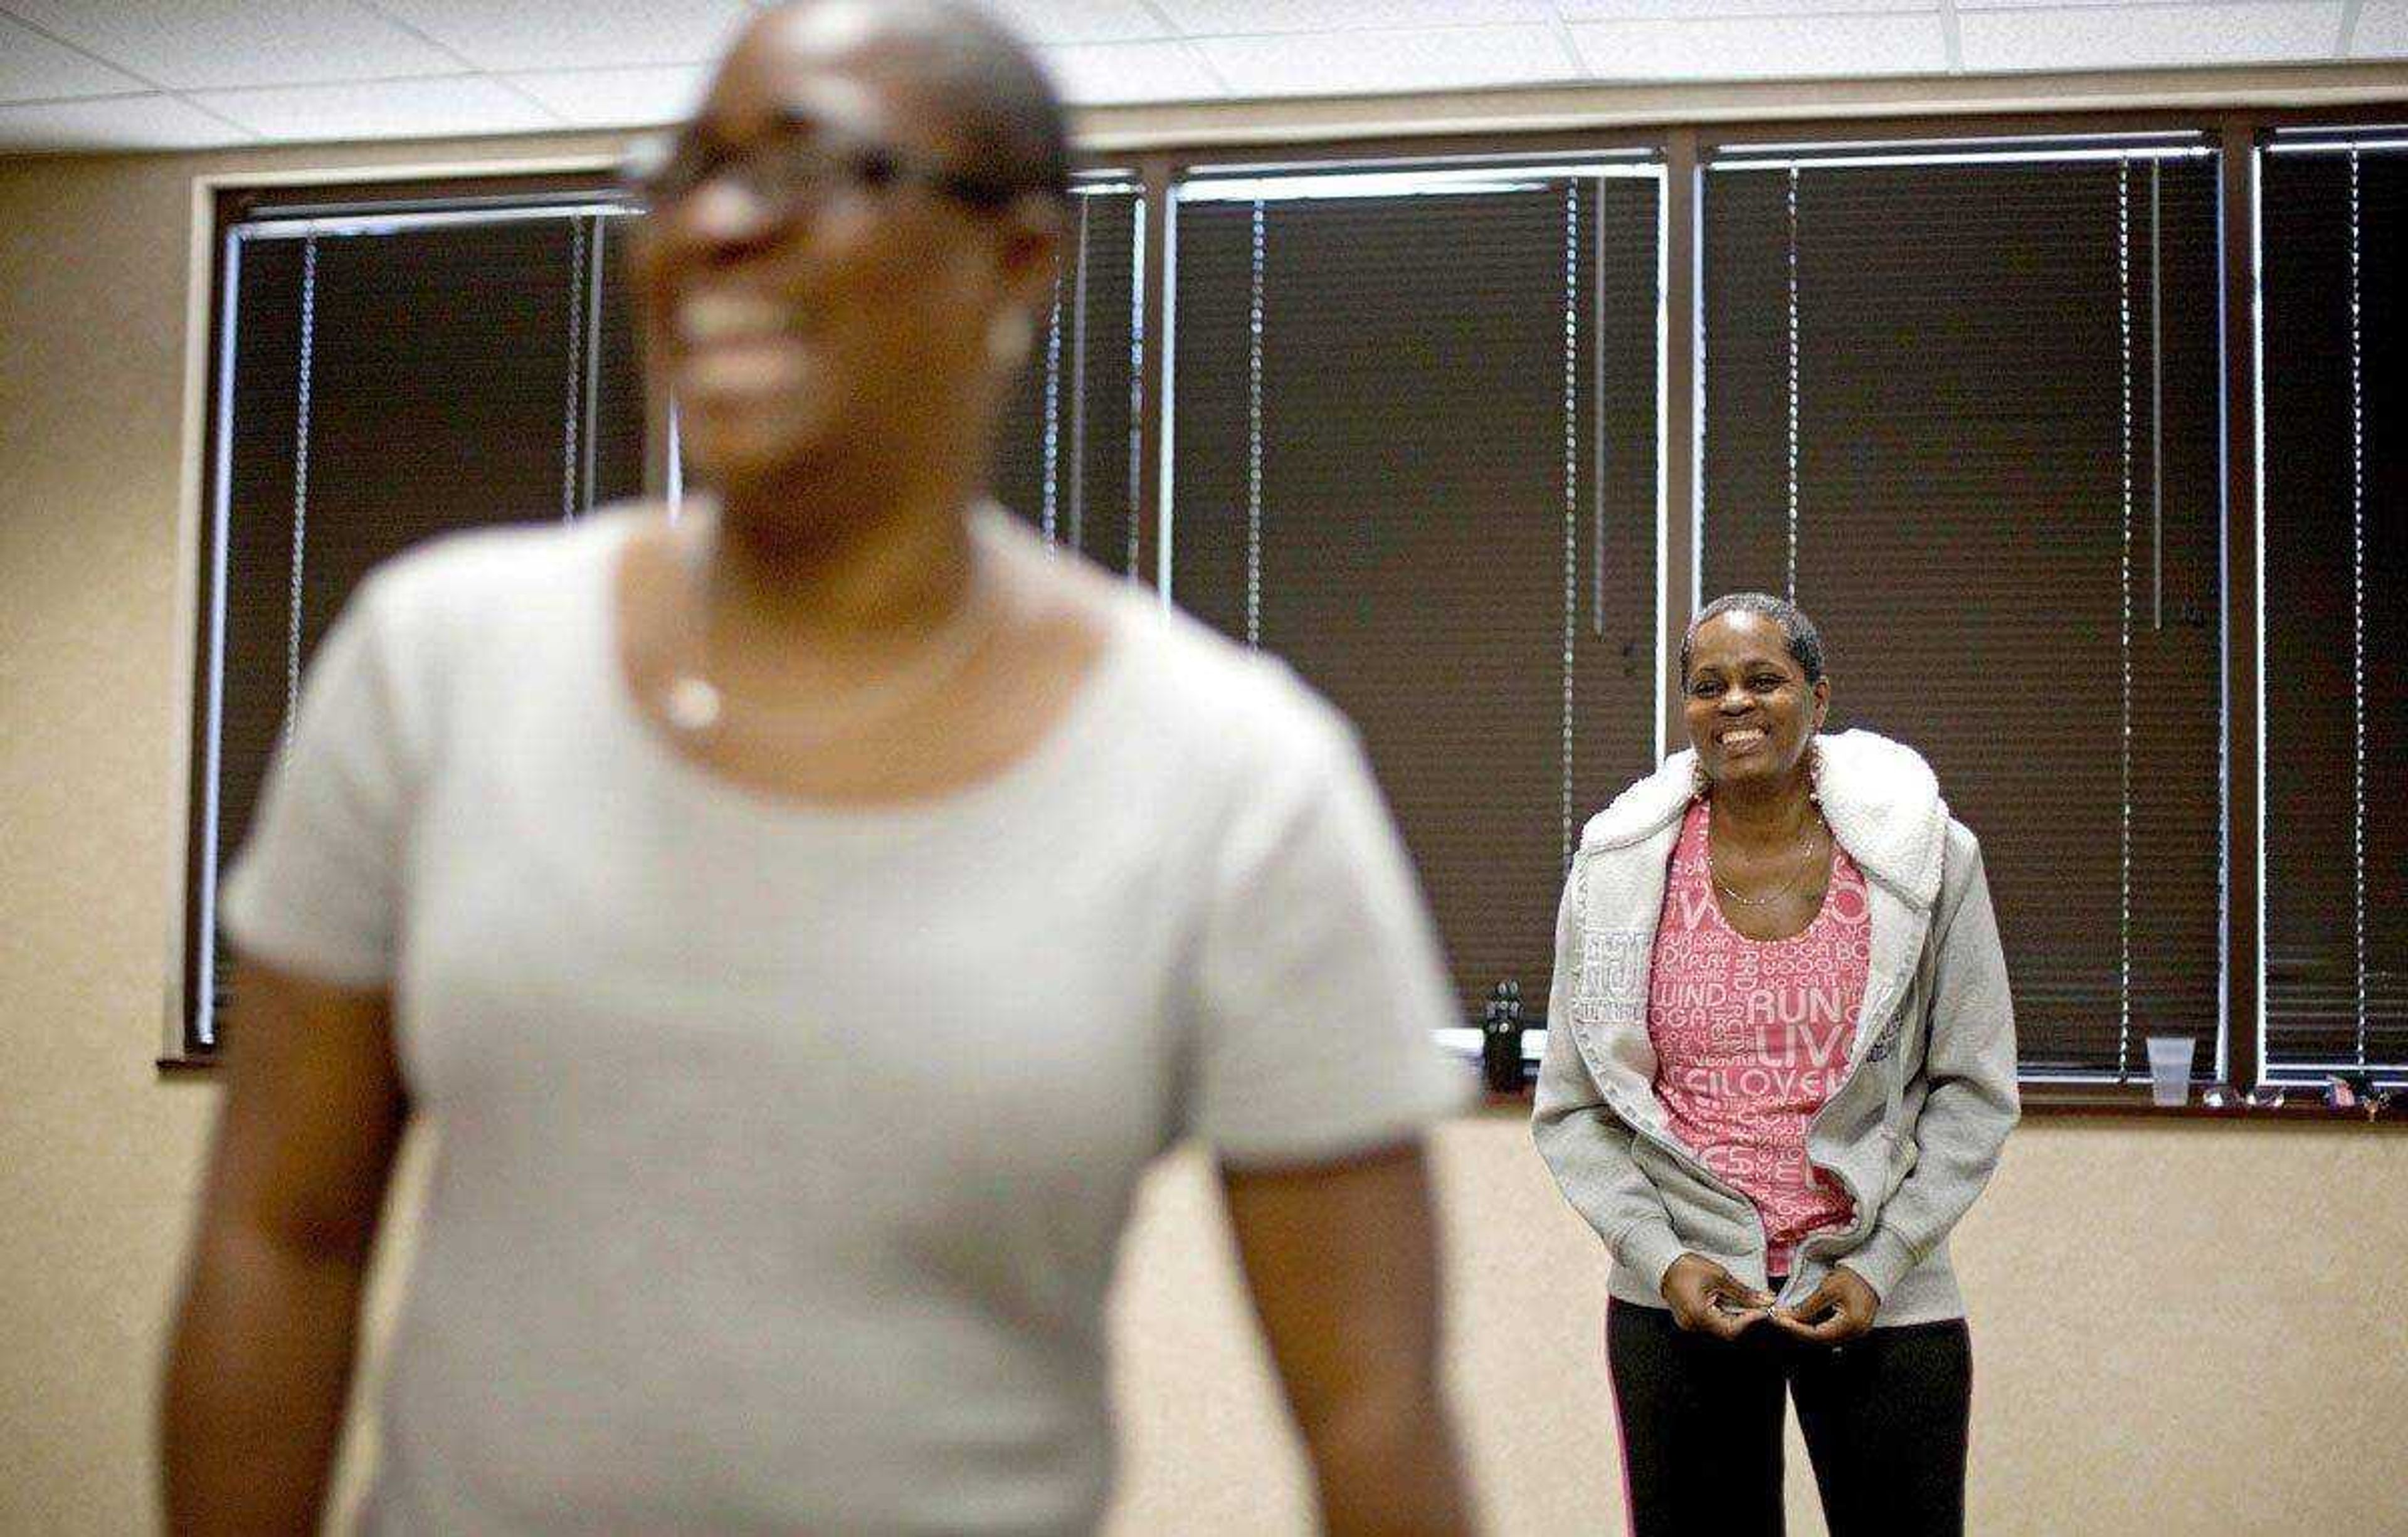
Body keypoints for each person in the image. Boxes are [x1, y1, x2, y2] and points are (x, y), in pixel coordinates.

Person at [161, 5, 1474, 1533]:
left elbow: (1373, 1410)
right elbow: (280, 1236)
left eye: (807, 168)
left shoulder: (1234, 777)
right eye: (687, 169)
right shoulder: (439, 657)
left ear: (1019, 261)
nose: (711, 224)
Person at [1532, 592, 2018, 1536]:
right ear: (1685, 713)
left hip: (1880, 1294)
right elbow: (1575, 1107)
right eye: (1708, 686)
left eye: (1765, 679)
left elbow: (1973, 1087)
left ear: (1818, 697)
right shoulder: (1618, 871)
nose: (1735, 704)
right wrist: (1660, 1258)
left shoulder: (1928, 861)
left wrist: (1880, 1263)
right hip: (1685, 1297)